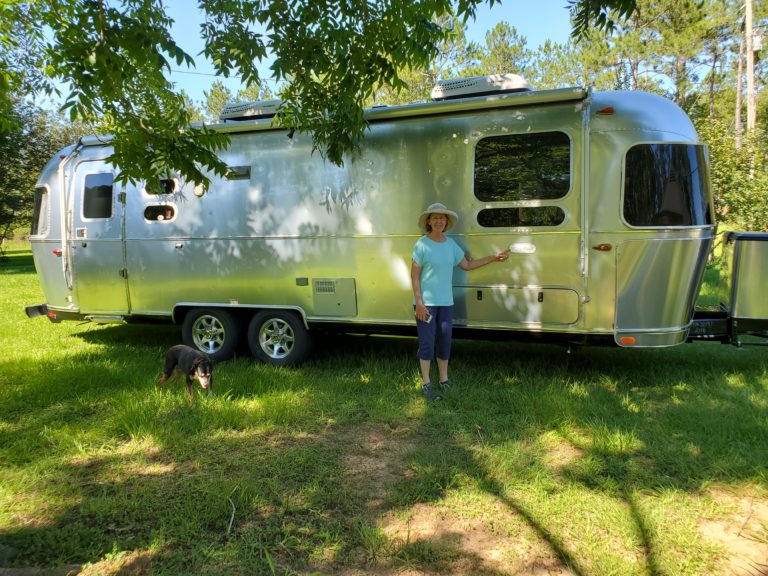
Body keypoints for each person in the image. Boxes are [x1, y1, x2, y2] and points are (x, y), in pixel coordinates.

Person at [411, 203, 510, 400]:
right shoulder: (421, 244)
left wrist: (493, 258)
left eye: (442, 218)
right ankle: (427, 383)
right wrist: (419, 303)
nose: (439, 221)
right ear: (429, 221)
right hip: (426, 304)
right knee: (427, 343)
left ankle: (444, 379)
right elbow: (414, 276)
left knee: (445, 341)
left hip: (446, 303)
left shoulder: (450, 245)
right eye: (435, 217)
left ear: (446, 222)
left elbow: (467, 265)